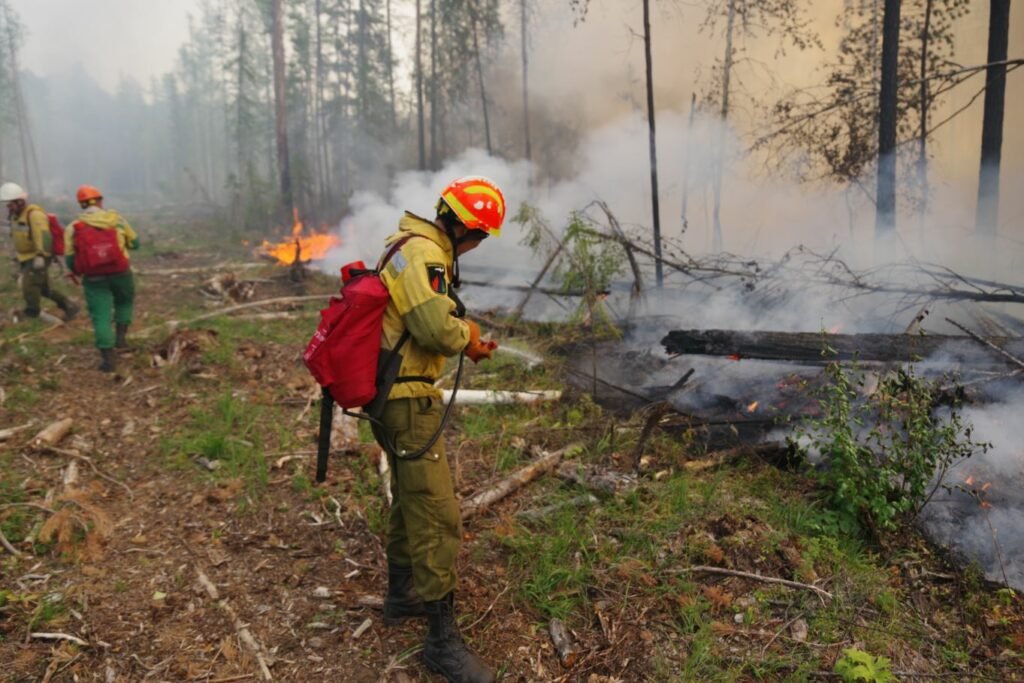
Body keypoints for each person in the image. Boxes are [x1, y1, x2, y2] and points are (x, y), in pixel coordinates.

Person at [374, 176, 503, 683]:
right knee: (438, 512)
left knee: (410, 496)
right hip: (407, 399)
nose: (475, 247)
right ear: (465, 228)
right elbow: (433, 328)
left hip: (391, 396)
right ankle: (441, 642)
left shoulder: (404, 245)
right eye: (480, 237)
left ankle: (401, 594)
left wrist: (461, 333)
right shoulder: (426, 254)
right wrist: (465, 336)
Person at [65, 185, 139, 373]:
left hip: (94, 279)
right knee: (124, 302)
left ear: (82, 205)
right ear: (100, 201)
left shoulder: (74, 227)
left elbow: (70, 259)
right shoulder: (117, 220)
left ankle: (108, 360)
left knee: (101, 316)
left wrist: (79, 270)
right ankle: (121, 340)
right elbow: (135, 243)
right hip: (121, 273)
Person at [1, 181, 78, 322]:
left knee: (29, 286)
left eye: (10, 203)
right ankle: (69, 305)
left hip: (37, 257)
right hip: (26, 257)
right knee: (43, 288)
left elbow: (43, 236)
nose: (8, 207)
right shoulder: (16, 216)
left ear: (19, 202)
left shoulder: (34, 215)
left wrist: (41, 255)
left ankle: (32, 312)